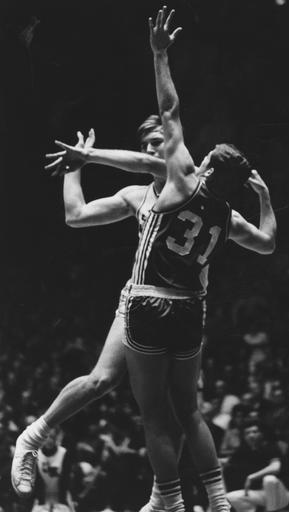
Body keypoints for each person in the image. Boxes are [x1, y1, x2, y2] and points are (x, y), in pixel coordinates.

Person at [121, 7, 276, 512]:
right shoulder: (229, 216)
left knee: (152, 413)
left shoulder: (181, 180)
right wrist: (266, 199)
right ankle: (217, 498)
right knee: (190, 410)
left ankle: (169, 499)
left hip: (148, 300)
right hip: (191, 309)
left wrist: (159, 54)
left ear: (206, 165)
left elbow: (169, 110)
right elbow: (269, 244)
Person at [11, 115, 181, 511]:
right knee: (101, 379)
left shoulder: (185, 179)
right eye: (148, 145)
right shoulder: (136, 195)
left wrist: (90, 155)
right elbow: (77, 216)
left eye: (160, 141)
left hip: (183, 306)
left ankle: (163, 498)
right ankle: (32, 437)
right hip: (142, 299)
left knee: (179, 408)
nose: (154, 150)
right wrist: (75, 168)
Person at [224, 420, 289, 512]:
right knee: (230, 497)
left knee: (269, 479)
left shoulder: (270, 447)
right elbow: (228, 462)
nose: (251, 435)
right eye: (247, 433)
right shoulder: (243, 451)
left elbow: (276, 467)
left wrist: (252, 477)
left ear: (262, 434)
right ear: (244, 436)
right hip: (262, 494)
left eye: (255, 432)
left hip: (280, 494)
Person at [31, 427, 75, 512]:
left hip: (61, 497)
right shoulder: (36, 455)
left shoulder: (64, 453)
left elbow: (65, 481)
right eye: (46, 437)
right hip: (43, 497)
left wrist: (61, 503)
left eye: (52, 437)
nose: (49, 440)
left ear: (56, 438)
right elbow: (37, 483)